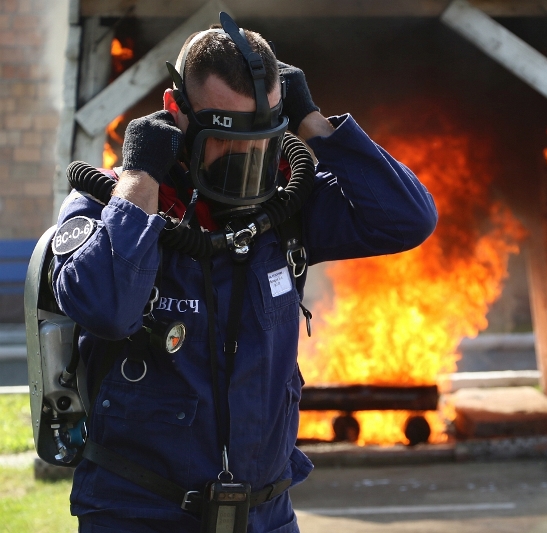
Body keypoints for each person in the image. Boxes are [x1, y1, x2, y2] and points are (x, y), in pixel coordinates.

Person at [51, 13, 437, 533]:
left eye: (262, 138)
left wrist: (314, 125)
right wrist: (142, 175)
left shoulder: (285, 206)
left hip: (265, 515)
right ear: (178, 114)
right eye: (227, 138)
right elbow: (106, 307)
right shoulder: (111, 203)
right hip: (140, 514)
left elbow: (408, 217)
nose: (247, 159)